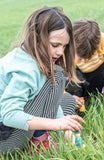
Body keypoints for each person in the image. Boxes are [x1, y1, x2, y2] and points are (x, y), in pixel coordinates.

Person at [0, 6, 85, 154]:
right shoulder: (26, 69)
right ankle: (39, 142)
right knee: (57, 75)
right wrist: (55, 123)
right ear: (36, 37)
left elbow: (51, 100)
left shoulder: (29, 53)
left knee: (67, 100)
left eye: (64, 46)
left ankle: (48, 133)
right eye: (55, 45)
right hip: (6, 141)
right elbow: (9, 115)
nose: (60, 52)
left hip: (13, 131)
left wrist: (67, 134)